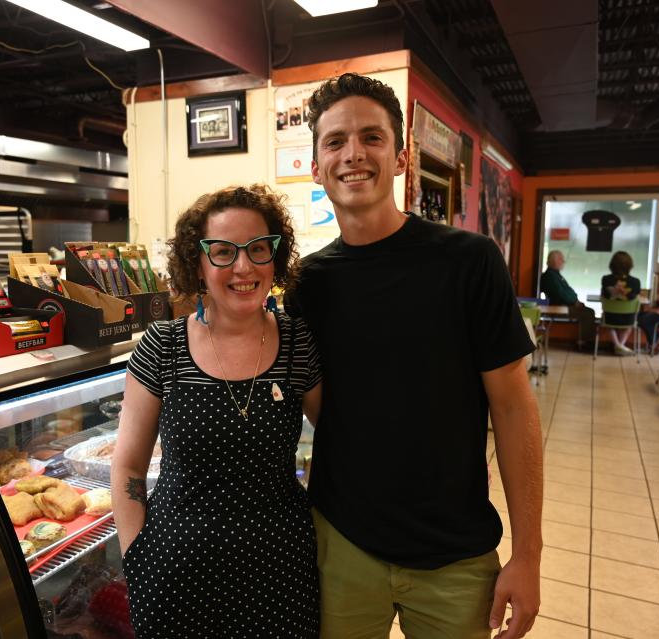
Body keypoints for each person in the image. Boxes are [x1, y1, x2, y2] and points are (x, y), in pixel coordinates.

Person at [286, 73, 542, 639]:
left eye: (371, 137)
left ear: (400, 157)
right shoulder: (307, 283)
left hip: (454, 550)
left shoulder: (469, 262)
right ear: (316, 167)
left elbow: (515, 410)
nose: (353, 154)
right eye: (335, 141)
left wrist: (528, 554)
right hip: (342, 544)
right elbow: (319, 406)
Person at [111, 184, 323, 638]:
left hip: (282, 578)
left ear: (275, 258)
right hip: (175, 578)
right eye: (223, 252)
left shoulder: (297, 343)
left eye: (258, 249)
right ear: (197, 263)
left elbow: (340, 440)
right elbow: (128, 464)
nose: (243, 267)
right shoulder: (163, 347)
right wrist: (137, 558)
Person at [540, 250, 596, 350]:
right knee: (588, 313)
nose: (563, 262)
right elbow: (560, 295)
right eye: (561, 259)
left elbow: (567, 291)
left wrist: (575, 300)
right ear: (554, 261)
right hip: (559, 307)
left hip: (566, 305)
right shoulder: (550, 276)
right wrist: (575, 302)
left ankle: (584, 341)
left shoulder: (556, 275)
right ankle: (584, 343)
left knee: (588, 311)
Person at [601, 251, 642, 355]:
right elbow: (636, 297)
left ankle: (618, 346)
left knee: (608, 323)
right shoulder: (635, 282)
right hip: (628, 318)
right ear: (630, 265)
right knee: (630, 324)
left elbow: (604, 294)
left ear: (612, 264)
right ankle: (620, 346)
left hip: (610, 316)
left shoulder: (606, 279)